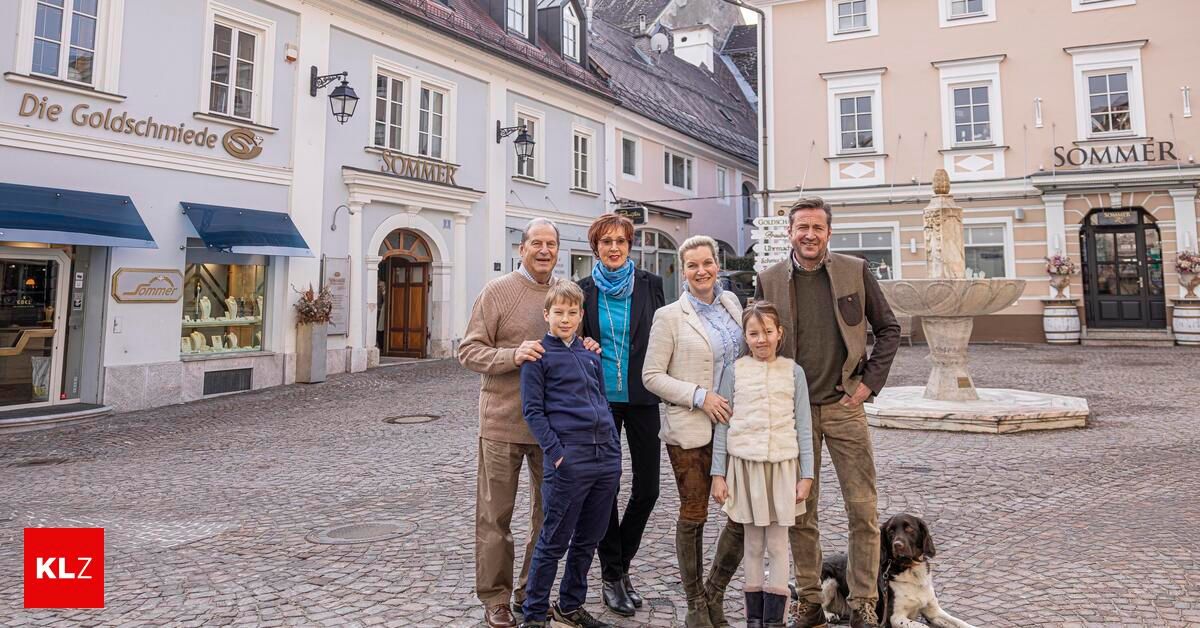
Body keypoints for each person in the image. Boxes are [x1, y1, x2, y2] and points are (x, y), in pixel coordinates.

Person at [754, 197, 901, 628]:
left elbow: (888, 328)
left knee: (863, 511)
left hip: (844, 407)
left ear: (829, 232)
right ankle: (811, 602)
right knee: (801, 512)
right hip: (793, 412)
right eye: (802, 227)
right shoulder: (770, 280)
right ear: (790, 232)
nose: (810, 235)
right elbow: (758, 341)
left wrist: (868, 384)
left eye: (818, 228)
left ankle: (863, 603)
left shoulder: (854, 270)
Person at [458, 218, 563, 628]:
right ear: (522, 249)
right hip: (501, 423)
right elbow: (468, 352)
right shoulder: (497, 292)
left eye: (550, 244)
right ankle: (496, 598)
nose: (543, 250)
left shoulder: (563, 294)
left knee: (548, 517)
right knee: (495, 518)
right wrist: (511, 356)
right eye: (536, 243)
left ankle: (530, 592)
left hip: (549, 430)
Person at [642, 235, 745, 628]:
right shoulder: (670, 316)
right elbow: (651, 376)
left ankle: (715, 591)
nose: (701, 271)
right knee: (695, 513)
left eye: (707, 263)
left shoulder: (732, 303)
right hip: (692, 430)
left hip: (737, 427)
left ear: (717, 265)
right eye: (692, 265)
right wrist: (700, 396)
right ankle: (695, 604)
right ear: (682, 270)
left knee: (742, 514)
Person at [576, 214, 666, 617]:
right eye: (606, 242)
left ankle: (619, 566)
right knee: (605, 490)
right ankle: (613, 575)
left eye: (621, 241)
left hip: (644, 397)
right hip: (601, 402)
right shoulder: (582, 292)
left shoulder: (651, 285)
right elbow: (567, 343)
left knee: (648, 488)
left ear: (631, 245)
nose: (614, 248)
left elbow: (666, 337)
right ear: (595, 247)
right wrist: (582, 345)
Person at [518, 281, 621, 628]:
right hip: (568, 460)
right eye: (558, 312)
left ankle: (570, 607)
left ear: (580, 316)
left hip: (604, 458)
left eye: (572, 312)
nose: (565, 318)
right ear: (546, 315)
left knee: (588, 539)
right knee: (553, 540)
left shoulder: (590, 353)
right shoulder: (538, 357)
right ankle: (534, 615)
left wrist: (613, 450)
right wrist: (558, 454)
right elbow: (533, 411)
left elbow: (602, 400)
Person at [709, 301, 815, 628]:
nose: (761, 340)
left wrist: (807, 474)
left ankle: (775, 621)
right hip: (746, 468)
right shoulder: (734, 372)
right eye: (754, 333)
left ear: (779, 334)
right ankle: (754, 619)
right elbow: (723, 425)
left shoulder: (793, 372)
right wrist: (718, 474)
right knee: (753, 543)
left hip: (783, 467)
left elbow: (803, 424)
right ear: (745, 336)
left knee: (779, 545)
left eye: (767, 332)